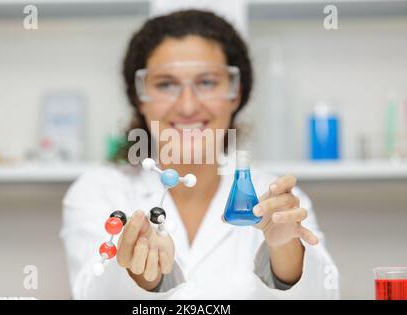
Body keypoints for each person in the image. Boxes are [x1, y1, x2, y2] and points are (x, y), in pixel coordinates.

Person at [60, 10, 339, 299]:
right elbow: (92, 291)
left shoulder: (277, 200)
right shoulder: (99, 192)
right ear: (138, 97)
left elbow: (326, 292)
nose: (188, 106)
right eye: (166, 84)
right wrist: (144, 278)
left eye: (206, 82)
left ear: (236, 93)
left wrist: (284, 254)